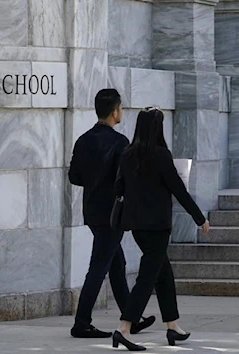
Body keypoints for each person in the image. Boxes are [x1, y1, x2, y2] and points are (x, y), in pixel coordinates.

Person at [111, 106, 210, 351]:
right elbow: (179, 190)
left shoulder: (127, 154)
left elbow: (118, 189)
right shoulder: (161, 156)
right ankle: (124, 328)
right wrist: (200, 218)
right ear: (158, 127)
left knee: (163, 274)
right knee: (147, 277)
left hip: (136, 226)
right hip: (157, 226)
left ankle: (172, 325)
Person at [69, 89, 155, 339]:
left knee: (116, 265)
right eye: (121, 108)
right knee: (98, 268)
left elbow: (74, 177)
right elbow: (129, 180)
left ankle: (132, 318)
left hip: (93, 211)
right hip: (113, 214)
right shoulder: (120, 143)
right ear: (115, 111)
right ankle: (81, 322)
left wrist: (95, 181)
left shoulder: (83, 140)